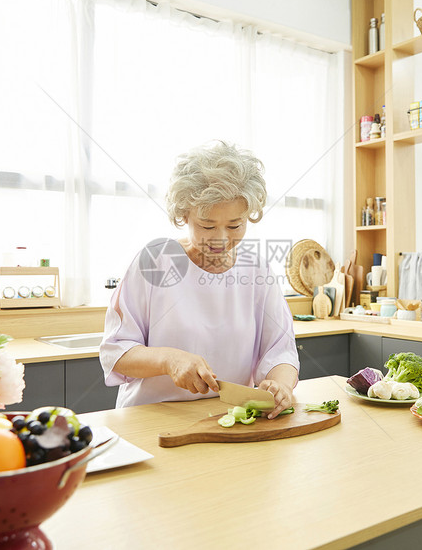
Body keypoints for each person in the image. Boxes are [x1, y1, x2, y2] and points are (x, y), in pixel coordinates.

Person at [99, 141, 299, 417]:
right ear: (183, 215)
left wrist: (280, 386)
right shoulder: (155, 261)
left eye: (235, 225)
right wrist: (169, 360)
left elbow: (280, 351)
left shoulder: (257, 271)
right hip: (150, 420)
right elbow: (115, 352)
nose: (221, 238)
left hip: (227, 419)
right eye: (207, 225)